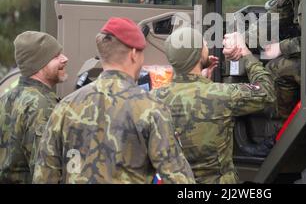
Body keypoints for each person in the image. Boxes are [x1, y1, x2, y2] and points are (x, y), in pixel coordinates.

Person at [32, 17, 195, 184]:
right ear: (133, 54)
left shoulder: (65, 107)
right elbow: (179, 179)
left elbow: (44, 176)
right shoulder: (151, 107)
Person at [150, 27, 276, 183]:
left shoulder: (152, 99)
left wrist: (201, 81)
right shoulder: (221, 95)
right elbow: (266, 91)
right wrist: (246, 54)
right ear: (198, 54)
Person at [226, 0, 302, 120]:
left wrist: (281, 47)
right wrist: (240, 40)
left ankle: (277, 135)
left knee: (277, 67)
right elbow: (273, 19)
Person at [0, 31, 68, 183]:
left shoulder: (6, 99)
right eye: (56, 56)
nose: (65, 59)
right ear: (39, 64)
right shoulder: (42, 106)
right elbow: (46, 172)